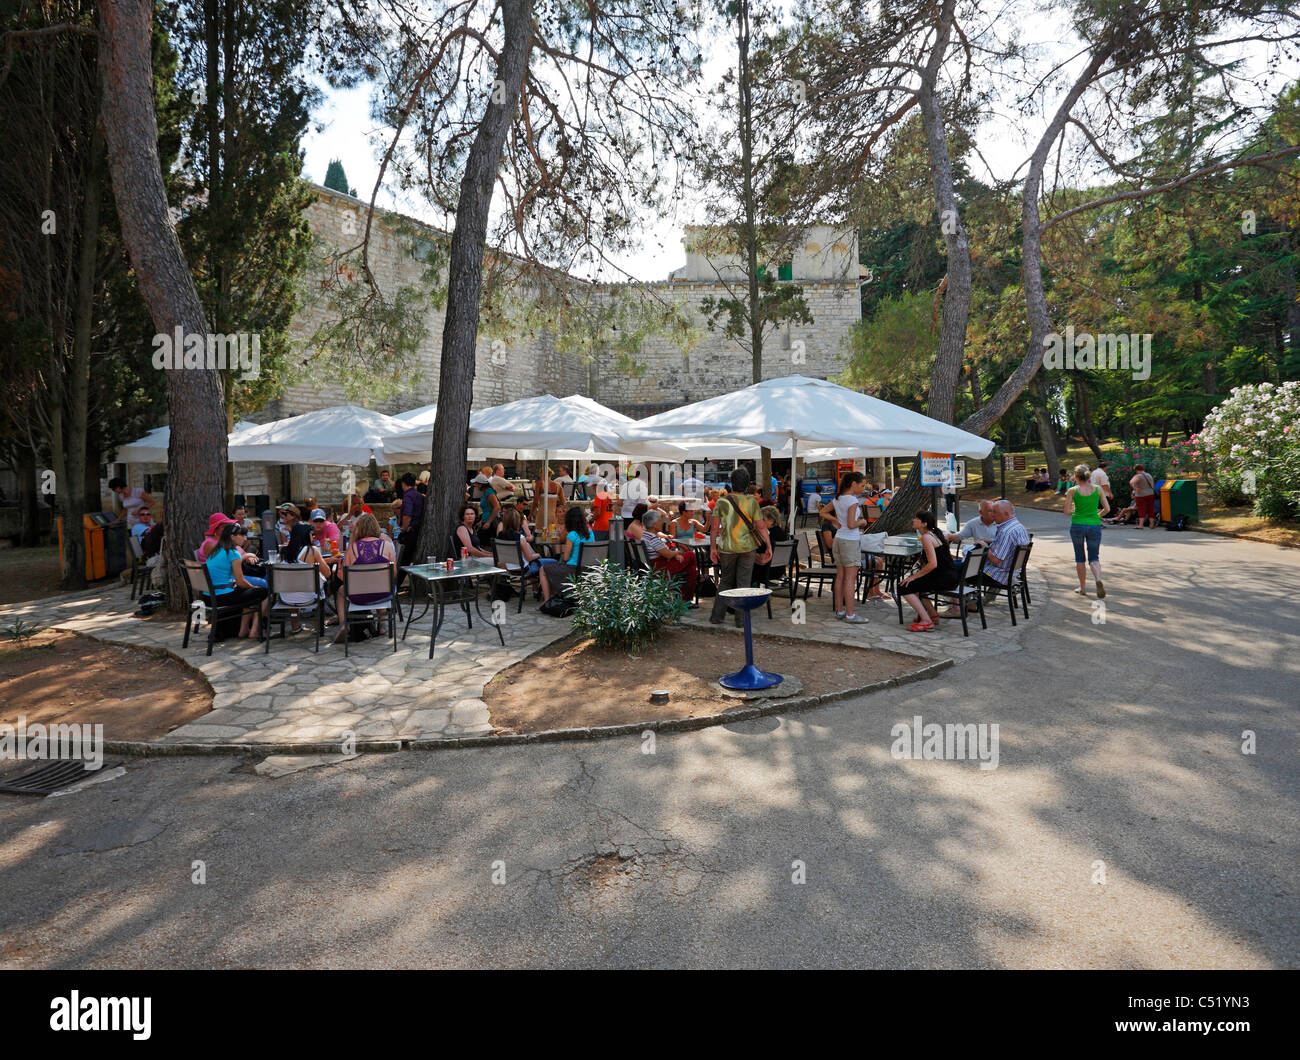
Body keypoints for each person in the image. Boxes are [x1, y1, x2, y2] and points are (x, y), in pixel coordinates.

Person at [708, 467, 771, 628]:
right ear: (747, 484)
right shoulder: (752, 502)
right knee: (744, 583)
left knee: (725, 582)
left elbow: (714, 528)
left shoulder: (721, 502)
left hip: (727, 547)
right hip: (747, 548)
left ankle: (717, 616)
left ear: (731, 483)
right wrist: (768, 546)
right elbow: (761, 527)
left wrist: (713, 548)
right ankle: (741, 620)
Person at [333, 512, 398, 643]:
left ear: (360, 529)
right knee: (380, 582)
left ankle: (343, 624)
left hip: (357, 596)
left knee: (340, 590)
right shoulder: (388, 546)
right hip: (383, 594)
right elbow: (394, 574)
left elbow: (344, 577)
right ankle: (383, 623)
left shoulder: (352, 549)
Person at [204, 521, 268, 640]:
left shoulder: (216, 550)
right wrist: (254, 589)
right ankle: (254, 630)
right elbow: (241, 581)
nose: (245, 538)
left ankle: (244, 630)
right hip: (221, 597)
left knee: (247, 592)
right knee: (264, 592)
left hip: (207, 597)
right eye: (241, 535)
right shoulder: (233, 553)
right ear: (232, 537)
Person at [899, 510, 960, 631]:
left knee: (904, 587)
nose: (913, 520)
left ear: (924, 524)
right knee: (916, 586)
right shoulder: (934, 533)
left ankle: (926, 621)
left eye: (916, 519)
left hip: (945, 578)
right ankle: (933, 616)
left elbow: (932, 564)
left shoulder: (926, 537)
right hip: (950, 575)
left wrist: (913, 576)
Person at [274, 521, 331, 631]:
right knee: (319, 586)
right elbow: (327, 573)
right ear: (306, 535)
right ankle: (317, 624)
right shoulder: (312, 550)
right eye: (311, 534)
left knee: (292, 582)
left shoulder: (284, 552)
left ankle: (295, 624)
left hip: (286, 598)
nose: (313, 536)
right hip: (309, 597)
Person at [829, 471, 869, 623]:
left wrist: (835, 521)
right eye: (862, 485)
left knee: (840, 577)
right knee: (850, 579)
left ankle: (840, 610)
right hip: (850, 540)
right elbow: (852, 524)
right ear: (853, 484)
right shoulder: (852, 500)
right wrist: (862, 522)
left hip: (839, 539)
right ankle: (851, 614)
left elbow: (823, 512)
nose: (863, 488)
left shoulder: (838, 498)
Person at [972, 499, 1032, 597]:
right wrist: (990, 541)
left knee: (962, 571)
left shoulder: (1006, 532)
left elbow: (996, 560)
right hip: (1013, 572)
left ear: (1006, 513)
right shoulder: (1018, 526)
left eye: (995, 512)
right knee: (964, 566)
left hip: (1000, 575)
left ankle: (970, 604)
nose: (992, 515)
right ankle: (977, 600)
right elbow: (1009, 545)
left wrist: (985, 547)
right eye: (991, 511)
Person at [1065, 463, 1109, 597]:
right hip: (1094, 525)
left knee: (1080, 558)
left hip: (1077, 525)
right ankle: (1098, 579)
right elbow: (1107, 509)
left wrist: (1076, 514)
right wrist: (1097, 516)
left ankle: (1083, 587)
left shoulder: (1073, 491)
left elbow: (1066, 511)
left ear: (1076, 477)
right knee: (1094, 557)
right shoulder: (1098, 489)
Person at [638, 510, 699, 605]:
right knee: (691, 555)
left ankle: (685, 598)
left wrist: (674, 554)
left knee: (690, 569)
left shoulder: (645, 535)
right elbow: (668, 554)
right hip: (661, 568)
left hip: (656, 566)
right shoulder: (653, 538)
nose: (662, 522)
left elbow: (666, 553)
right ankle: (686, 598)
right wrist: (676, 553)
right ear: (654, 524)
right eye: (659, 520)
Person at [540, 504, 594, 604]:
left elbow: (566, 558)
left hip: (572, 569)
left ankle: (547, 600)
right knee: (554, 566)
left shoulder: (572, 535)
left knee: (543, 569)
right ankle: (556, 595)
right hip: (588, 568)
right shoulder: (591, 533)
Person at [497, 506, 557, 576]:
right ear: (517, 522)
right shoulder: (520, 538)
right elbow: (529, 558)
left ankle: (537, 585)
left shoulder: (500, 536)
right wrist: (538, 555)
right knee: (554, 562)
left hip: (509, 569)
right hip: (523, 569)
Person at [395, 472, 424, 585]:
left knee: (403, 559)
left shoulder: (407, 495)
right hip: (417, 528)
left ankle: (395, 584)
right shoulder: (417, 494)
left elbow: (407, 515)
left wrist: (403, 528)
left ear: (403, 484)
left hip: (411, 530)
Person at [751, 505, 790, 588]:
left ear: (771, 520)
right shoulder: (781, 532)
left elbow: (762, 558)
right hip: (779, 570)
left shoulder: (770, 534)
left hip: (767, 571)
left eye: (762, 519)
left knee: (744, 563)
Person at [1130, 463, 1158, 528]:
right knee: (1151, 509)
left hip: (1141, 495)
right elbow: (1153, 485)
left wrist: (1135, 488)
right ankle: (1151, 524)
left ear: (1136, 470)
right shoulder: (1149, 475)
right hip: (1151, 494)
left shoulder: (1138, 476)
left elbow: (1131, 482)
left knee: (1141, 509)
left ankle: (1141, 525)